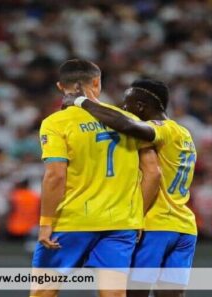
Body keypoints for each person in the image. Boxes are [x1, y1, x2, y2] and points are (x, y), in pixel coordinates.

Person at [30, 60, 161, 297]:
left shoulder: (55, 123)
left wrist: (46, 223)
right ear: (96, 82)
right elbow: (153, 173)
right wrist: (136, 214)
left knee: (44, 290)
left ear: (61, 86)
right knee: (114, 294)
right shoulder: (129, 121)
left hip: (71, 220)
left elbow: (55, 176)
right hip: (120, 222)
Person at [74, 79, 197, 297]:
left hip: (154, 224)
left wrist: (82, 102)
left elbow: (126, 125)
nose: (123, 109)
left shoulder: (163, 130)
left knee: (132, 293)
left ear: (140, 107)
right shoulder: (184, 133)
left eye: (126, 104)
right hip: (184, 227)